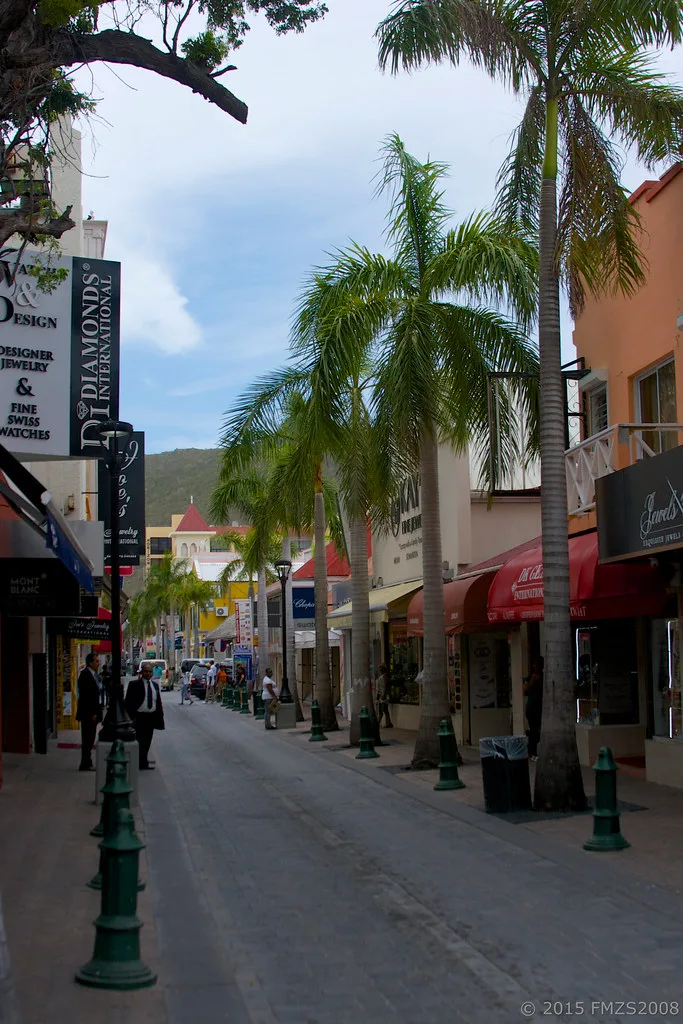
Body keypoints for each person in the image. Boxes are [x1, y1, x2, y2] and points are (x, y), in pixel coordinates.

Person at [125, 662, 165, 770]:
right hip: (139, 717)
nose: (148, 674)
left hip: (150, 717)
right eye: (146, 671)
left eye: (150, 672)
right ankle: (137, 761)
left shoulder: (155, 686)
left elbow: (157, 702)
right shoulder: (134, 684)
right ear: (142, 672)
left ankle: (143, 762)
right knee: (139, 740)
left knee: (147, 741)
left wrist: (159, 717)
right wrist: (129, 717)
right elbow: (128, 702)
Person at [76, 652, 103, 771]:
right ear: (90, 663)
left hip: (93, 712)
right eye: (96, 661)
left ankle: (88, 760)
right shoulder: (85, 675)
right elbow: (86, 697)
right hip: (88, 714)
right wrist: (92, 713)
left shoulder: (94, 675)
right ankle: (85, 762)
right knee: (87, 739)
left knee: (90, 738)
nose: (98, 663)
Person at [523, 656, 544, 761]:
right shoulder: (531, 677)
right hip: (532, 707)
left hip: (541, 706)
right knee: (534, 730)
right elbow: (525, 691)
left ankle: (533, 750)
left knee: (538, 730)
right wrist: (532, 681)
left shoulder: (544, 677)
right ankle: (531, 752)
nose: (535, 666)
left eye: (537, 664)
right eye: (534, 664)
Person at [375, 663, 393, 728]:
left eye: (380, 668)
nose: (379, 670)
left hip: (383, 696)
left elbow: (385, 686)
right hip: (382, 695)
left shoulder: (384, 676)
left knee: (381, 710)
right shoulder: (381, 676)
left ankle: (377, 723)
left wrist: (384, 695)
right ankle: (389, 723)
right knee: (385, 710)